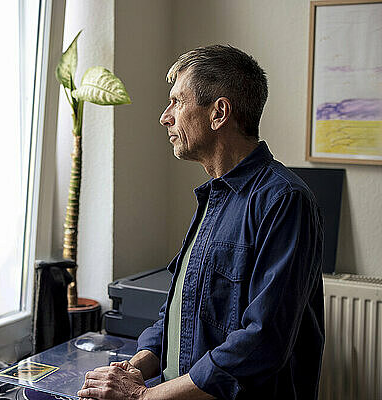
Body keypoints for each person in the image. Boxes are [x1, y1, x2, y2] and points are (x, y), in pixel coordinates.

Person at [77, 45, 324, 400]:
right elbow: (180, 311)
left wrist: (140, 396)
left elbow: (263, 342)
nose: (165, 117)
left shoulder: (285, 200)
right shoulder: (212, 199)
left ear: (218, 113)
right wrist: (136, 367)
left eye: (177, 101)